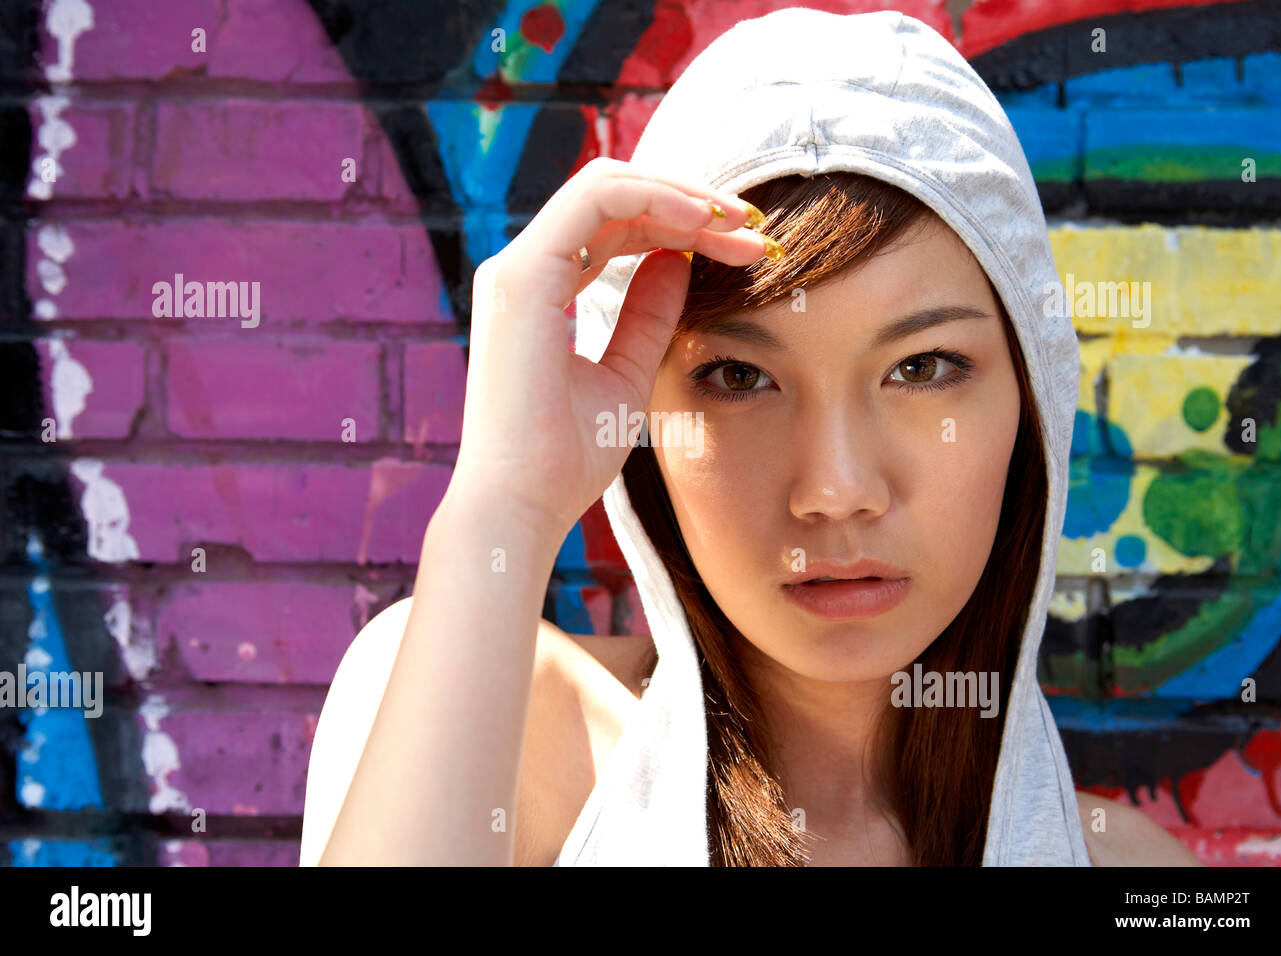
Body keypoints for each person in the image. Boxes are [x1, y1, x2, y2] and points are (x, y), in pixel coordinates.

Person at [300, 8, 1202, 866]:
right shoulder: (511, 736)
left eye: (922, 369)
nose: (837, 488)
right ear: (644, 414)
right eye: (740, 378)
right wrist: (505, 504)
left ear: (1032, 397)